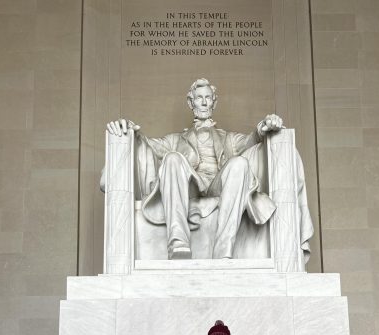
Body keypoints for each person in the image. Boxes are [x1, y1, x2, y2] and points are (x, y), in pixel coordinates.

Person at [105, 78, 313, 260]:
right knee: (172, 159)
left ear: (214, 102)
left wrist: (264, 126)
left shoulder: (228, 139)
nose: (204, 102)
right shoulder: (175, 140)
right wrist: (129, 129)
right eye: (199, 98)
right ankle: (178, 242)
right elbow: (148, 144)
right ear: (190, 102)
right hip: (190, 186)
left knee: (239, 163)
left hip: (218, 186)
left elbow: (252, 139)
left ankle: (224, 249)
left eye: (208, 97)